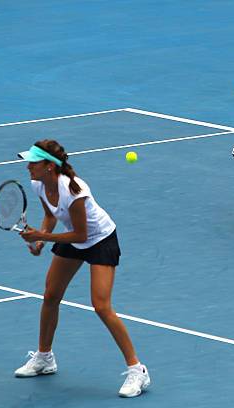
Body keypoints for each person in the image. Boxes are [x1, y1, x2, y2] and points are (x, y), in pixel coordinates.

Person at [13, 140, 150, 398]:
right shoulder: (38, 184)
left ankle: (137, 370)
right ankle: (44, 358)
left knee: (101, 306)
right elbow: (51, 214)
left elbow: (81, 234)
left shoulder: (74, 192)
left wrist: (41, 235)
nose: (28, 166)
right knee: (51, 295)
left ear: (49, 167)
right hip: (75, 238)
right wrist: (42, 238)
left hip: (100, 240)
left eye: (33, 162)